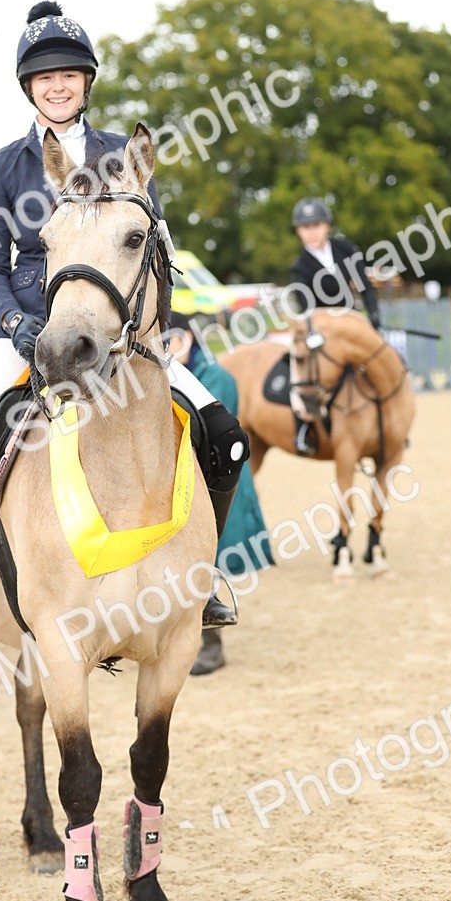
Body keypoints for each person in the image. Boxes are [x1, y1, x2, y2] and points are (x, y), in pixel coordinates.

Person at [0, 0, 249, 632]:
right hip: (29, 327)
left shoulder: (124, 158)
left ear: (86, 82)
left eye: (69, 74)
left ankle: (204, 572)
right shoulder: (4, 167)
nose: (57, 85)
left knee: (226, 433)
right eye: (44, 76)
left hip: (121, 336)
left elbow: (154, 249)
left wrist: (172, 322)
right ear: (29, 87)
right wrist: (19, 326)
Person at [168, 314, 274, 675]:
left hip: (214, 481)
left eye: (175, 338)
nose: (168, 345)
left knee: (205, 559)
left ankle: (211, 645)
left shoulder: (216, 378)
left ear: (189, 339)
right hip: (179, 480)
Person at [288, 198, 381, 456]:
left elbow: (365, 286)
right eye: (305, 227)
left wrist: (373, 316)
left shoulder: (346, 250)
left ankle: (388, 421)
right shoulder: (299, 268)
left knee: (380, 361)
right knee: (302, 370)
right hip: (322, 331)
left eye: (316, 225)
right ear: (298, 231)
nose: (312, 231)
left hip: (352, 324)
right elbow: (307, 307)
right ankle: (304, 428)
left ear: (327, 226)